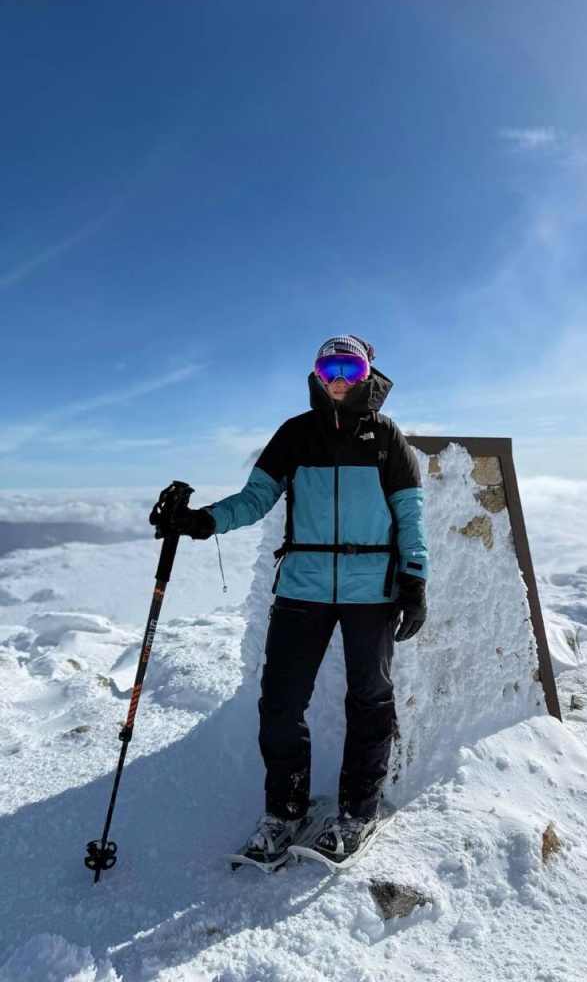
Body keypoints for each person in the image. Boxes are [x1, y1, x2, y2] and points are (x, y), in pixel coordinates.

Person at [153, 334, 428, 859]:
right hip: (303, 585)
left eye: (350, 367)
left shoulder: (389, 438)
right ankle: (284, 811)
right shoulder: (295, 435)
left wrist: (415, 580)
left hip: (372, 589)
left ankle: (358, 810)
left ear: (368, 372)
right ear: (317, 376)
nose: (340, 379)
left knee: (370, 699)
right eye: (329, 369)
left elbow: (411, 518)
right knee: (280, 702)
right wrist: (204, 520)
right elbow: (255, 500)